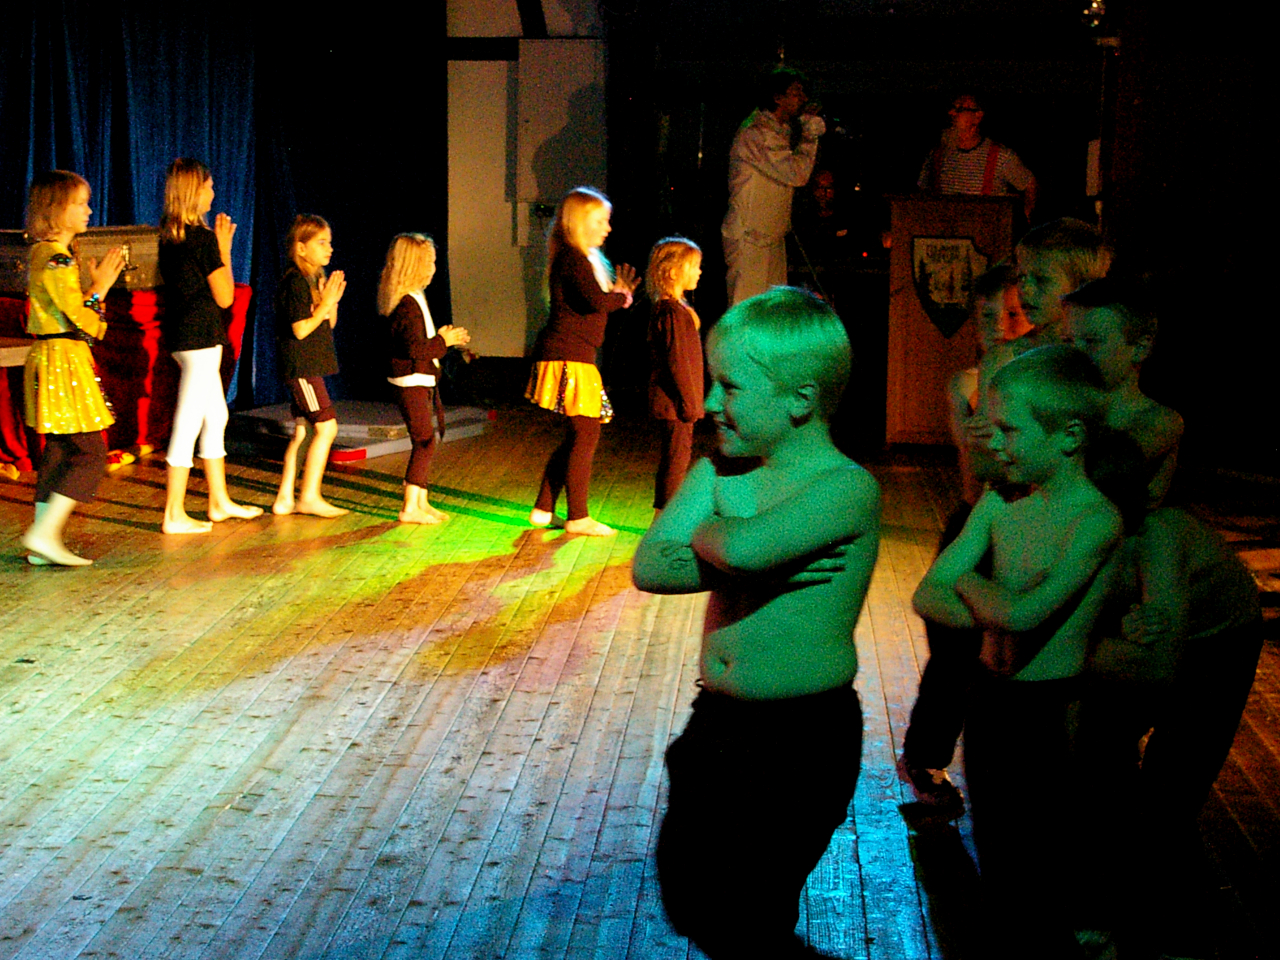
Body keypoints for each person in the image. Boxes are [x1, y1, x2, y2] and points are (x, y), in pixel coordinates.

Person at [633, 287, 881, 958]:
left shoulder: (845, 487)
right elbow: (651, 565)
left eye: (731, 387)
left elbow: (741, 549)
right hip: (716, 722)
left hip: (800, 738)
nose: (712, 403)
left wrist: (720, 537)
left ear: (800, 399)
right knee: (691, 897)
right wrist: (756, 559)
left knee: (748, 917)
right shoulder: (721, 469)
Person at [912, 345, 1123, 958]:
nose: (994, 443)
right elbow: (928, 595)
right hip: (991, 698)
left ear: (1069, 436)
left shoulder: (1094, 519)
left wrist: (972, 587)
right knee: (998, 846)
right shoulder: (1000, 501)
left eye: (1009, 429)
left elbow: (1024, 615)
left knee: (1046, 854)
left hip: (1053, 711)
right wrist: (996, 605)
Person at [897, 263, 1026, 814]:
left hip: (1024, 531)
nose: (1001, 326)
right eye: (988, 317)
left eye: (1014, 314)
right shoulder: (967, 384)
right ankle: (925, 758)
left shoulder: (1045, 383)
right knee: (954, 654)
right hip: (976, 524)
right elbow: (976, 472)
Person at [20, 171, 123, 565]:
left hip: (54, 357)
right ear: (56, 209)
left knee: (61, 450)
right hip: (62, 361)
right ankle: (44, 534)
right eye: (80, 203)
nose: (88, 210)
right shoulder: (56, 258)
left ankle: (41, 542)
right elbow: (80, 319)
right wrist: (100, 289)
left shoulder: (48, 255)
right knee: (90, 452)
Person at [157, 158, 264, 534]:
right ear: (194, 191)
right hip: (199, 340)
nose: (213, 193)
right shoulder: (201, 239)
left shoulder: (170, 236)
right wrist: (224, 250)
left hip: (185, 337)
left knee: (215, 415)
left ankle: (218, 501)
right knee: (188, 421)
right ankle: (173, 512)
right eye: (209, 187)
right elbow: (225, 297)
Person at [526, 186, 638, 536]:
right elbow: (595, 300)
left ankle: (544, 507)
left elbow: (596, 299)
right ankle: (578, 516)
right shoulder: (573, 259)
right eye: (601, 221)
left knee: (580, 434)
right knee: (586, 434)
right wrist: (619, 298)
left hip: (574, 355)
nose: (608, 228)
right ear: (580, 222)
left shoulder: (580, 259)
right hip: (569, 356)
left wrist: (615, 295)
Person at [1061, 276, 1183, 508]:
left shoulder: (1159, 421)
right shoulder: (1064, 407)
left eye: (1091, 342)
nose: (1075, 354)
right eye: (1067, 341)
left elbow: (1103, 471)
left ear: (1140, 348)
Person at [377, 233, 470, 524]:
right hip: (411, 381)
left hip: (420, 379)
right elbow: (414, 348)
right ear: (414, 265)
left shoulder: (414, 298)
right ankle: (409, 506)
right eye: (429, 262)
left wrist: (443, 340)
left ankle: (421, 500)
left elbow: (419, 343)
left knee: (426, 440)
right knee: (425, 441)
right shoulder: (407, 304)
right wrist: (443, 341)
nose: (433, 268)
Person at [722, 67, 825, 306]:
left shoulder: (778, 131)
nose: (803, 98)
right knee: (748, 312)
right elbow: (796, 173)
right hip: (751, 239)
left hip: (771, 237)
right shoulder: (756, 133)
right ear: (777, 97)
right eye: (796, 92)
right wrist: (809, 137)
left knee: (771, 313)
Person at [272, 214, 348, 518]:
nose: (329, 248)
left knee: (303, 433)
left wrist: (331, 300)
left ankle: (284, 498)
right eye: (321, 242)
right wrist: (324, 304)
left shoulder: (314, 279)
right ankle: (309, 496)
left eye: (329, 242)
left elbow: (329, 324)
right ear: (301, 248)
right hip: (302, 368)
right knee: (327, 427)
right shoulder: (294, 281)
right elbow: (301, 329)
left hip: (309, 366)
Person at [645, 237, 705, 512]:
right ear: (673, 272)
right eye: (693, 266)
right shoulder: (671, 313)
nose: (699, 272)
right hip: (676, 404)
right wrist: (690, 403)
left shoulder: (675, 310)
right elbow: (678, 362)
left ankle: (666, 518)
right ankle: (666, 520)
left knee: (676, 460)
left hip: (676, 403)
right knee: (676, 462)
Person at [918, 94, 1037, 220]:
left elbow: (1030, 185)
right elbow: (921, 193)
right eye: (952, 108)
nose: (951, 113)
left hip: (984, 228)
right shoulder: (936, 155)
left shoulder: (1000, 156)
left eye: (959, 109)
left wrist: (1024, 219)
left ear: (978, 117)